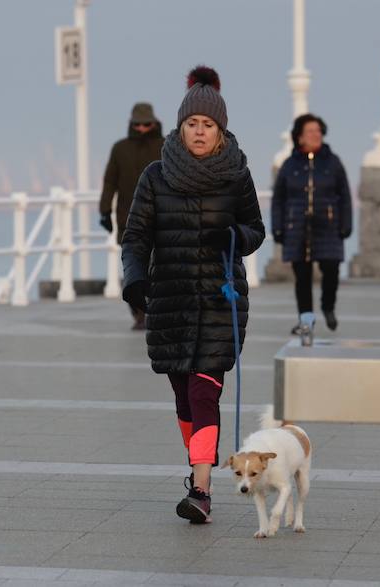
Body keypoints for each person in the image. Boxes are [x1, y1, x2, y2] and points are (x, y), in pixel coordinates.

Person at [121, 66, 265, 524]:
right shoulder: (155, 176)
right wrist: (134, 280)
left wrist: (235, 236)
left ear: (220, 130)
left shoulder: (236, 175)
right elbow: (136, 237)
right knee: (184, 400)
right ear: (180, 127)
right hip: (171, 301)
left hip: (222, 302)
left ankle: (200, 491)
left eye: (208, 125)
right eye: (192, 124)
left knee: (205, 395)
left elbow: (256, 229)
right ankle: (197, 468)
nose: (199, 132)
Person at [271, 113, 353, 334]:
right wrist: (277, 227)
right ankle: (306, 320)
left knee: (331, 269)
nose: (316, 135)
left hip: (328, 225)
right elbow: (278, 198)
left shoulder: (333, 162)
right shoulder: (289, 165)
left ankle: (328, 307)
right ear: (299, 137)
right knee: (303, 277)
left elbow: (345, 194)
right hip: (296, 227)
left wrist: (346, 224)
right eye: (310, 131)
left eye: (318, 131)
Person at [99, 102, 164, 330]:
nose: (142, 128)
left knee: (159, 266)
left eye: (147, 124)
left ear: (154, 123)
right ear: (131, 124)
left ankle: (154, 311)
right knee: (133, 269)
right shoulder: (120, 149)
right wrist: (104, 211)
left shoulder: (166, 146)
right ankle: (139, 315)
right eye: (138, 124)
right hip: (128, 219)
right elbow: (110, 181)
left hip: (162, 219)